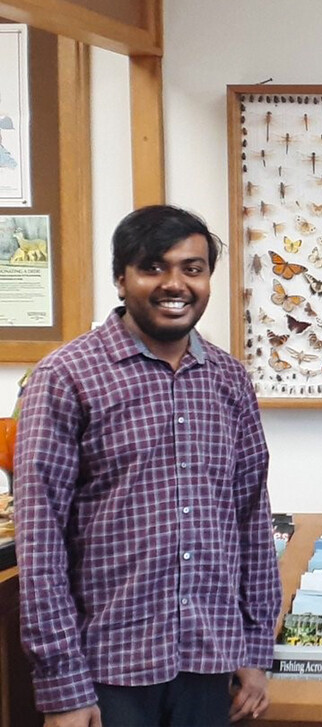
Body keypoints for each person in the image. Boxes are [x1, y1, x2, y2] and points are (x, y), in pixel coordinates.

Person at [14, 206, 282, 726]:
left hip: (210, 662)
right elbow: (40, 537)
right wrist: (63, 687)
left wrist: (254, 650)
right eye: (153, 267)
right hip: (106, 670)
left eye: (192, 268)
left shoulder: (229, 381)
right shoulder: (67, 377)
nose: (174, 284)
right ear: (121, 279)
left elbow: (252, 518)